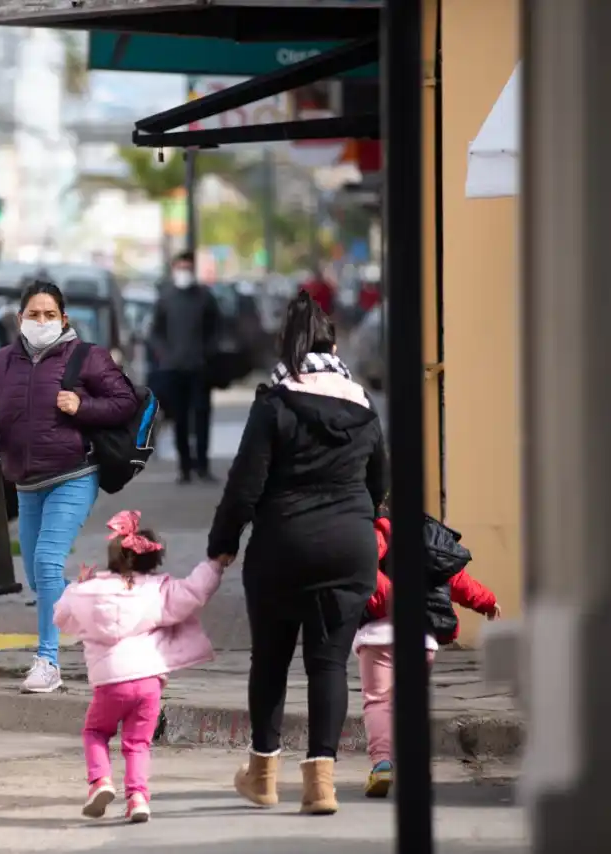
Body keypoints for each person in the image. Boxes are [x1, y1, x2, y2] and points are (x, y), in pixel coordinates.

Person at [206, 290, 386, 816]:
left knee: (272, 661)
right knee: (328, 665)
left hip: (282, 548)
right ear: (332, 344)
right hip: (348, 550)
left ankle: (263, 776)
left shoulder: (275, 403)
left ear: (288, 347)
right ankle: (321, 786)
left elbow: (245, 485)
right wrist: (355, 518)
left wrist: (222, 546)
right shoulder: (363, 406)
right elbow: (382, 481)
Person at [0, 279, 138, 694]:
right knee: (41, 581)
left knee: (46, 560)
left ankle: (48, 662)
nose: (41, 322)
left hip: (74, 475)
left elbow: (126, 401)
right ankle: (104, 615)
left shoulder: (86, 357)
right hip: (25, 482)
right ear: (20, 318)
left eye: (50, 315)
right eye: (34, 315)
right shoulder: (3, 363)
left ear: (64, 319)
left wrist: (83, 406)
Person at [54, 511, 226, 823]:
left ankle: (100, 782)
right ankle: (137, 798)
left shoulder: (86, 592)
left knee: (95, 731)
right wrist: (214, 564)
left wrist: (76, 586)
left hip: (109, 683)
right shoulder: (160, 591)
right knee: (137, 743)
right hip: (148, 681)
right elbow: (196, 591)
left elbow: (61, 617)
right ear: (153, 560)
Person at [356, 507, 501, 798]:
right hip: (423, 637)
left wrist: (388, 594)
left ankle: (383, 763)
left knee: (378, 701)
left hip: (379, 634)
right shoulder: (435, 536)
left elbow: (363, 560)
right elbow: (459, 581)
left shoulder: (382, 528)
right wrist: (488, 601)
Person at [150, 251, 220, 484]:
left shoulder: (205, 297)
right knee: (179, 419)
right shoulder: (165, 298)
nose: (184, 272)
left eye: (187, 267)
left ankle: (203, 465)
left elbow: (216, 329)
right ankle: (185, 467)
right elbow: (156, 332)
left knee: (201, 417)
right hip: (173, 369)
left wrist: (207, 352)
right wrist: (165, 354)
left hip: (200, 368)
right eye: (180, 267)